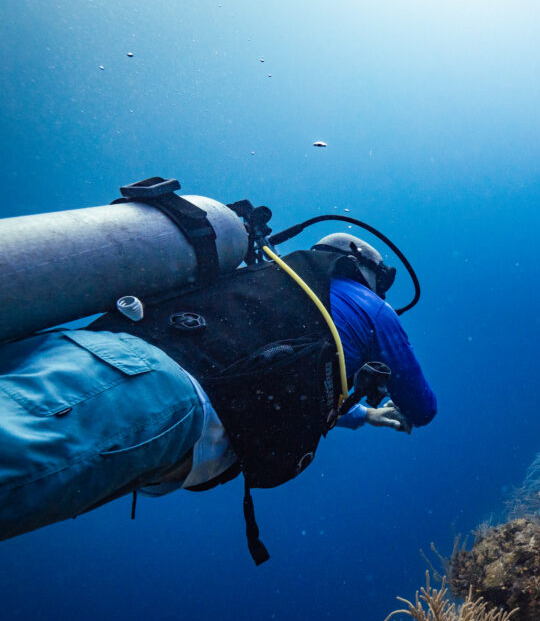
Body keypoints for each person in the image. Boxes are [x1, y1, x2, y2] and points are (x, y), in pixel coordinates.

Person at [0, 232, 435, 563]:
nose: (382, 294)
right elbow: (422, 407)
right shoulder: (373, 308)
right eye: (383, 283)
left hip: (97, 355)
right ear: (364, 268)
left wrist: (364, 415)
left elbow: (275, 374)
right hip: (156, 391)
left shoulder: (274, 284)